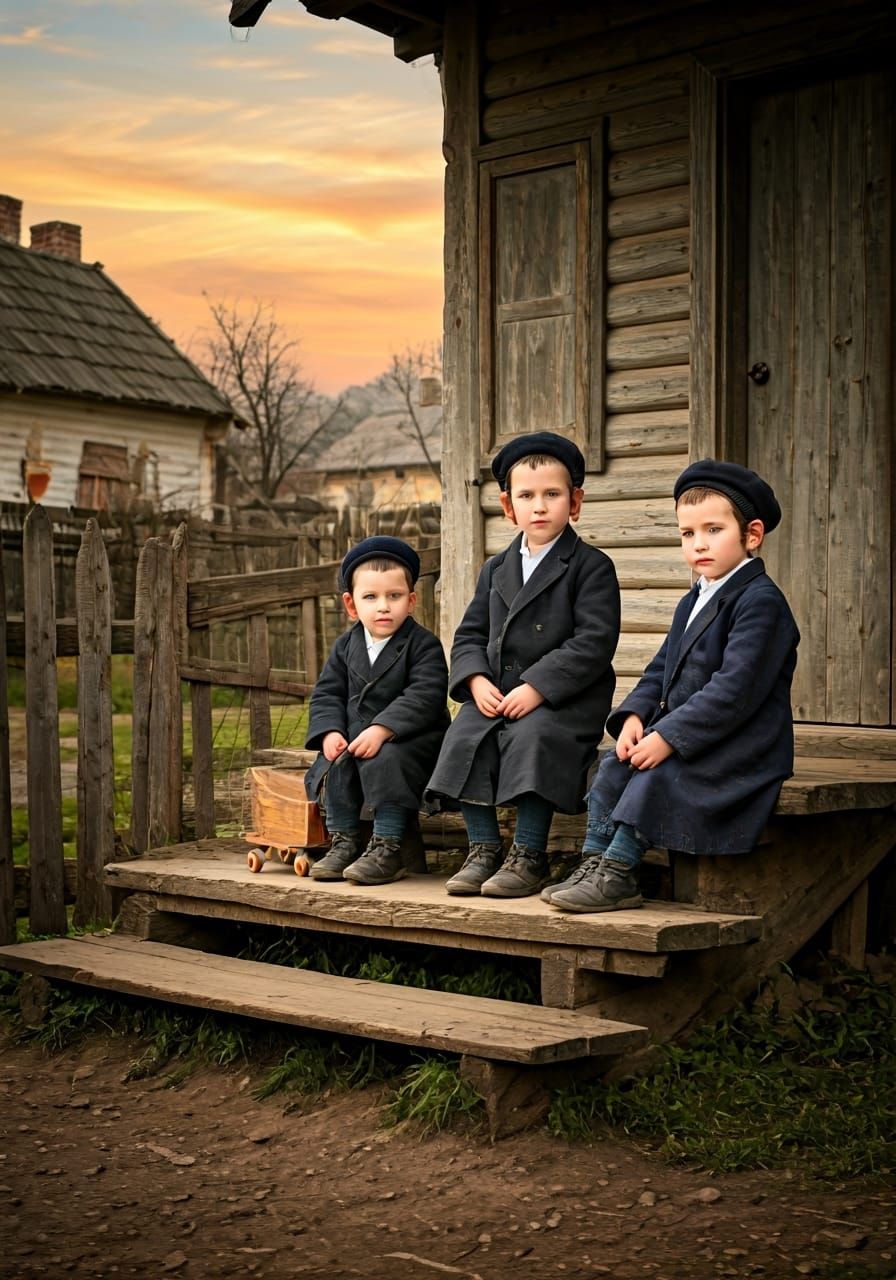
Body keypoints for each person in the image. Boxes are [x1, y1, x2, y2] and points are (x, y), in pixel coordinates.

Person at [546, 458, 800, 914]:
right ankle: (595, 861)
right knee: (613, 765)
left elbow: (734, 690)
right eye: (687, 533)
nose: (698, 544)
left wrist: (668, 736)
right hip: (692, 735)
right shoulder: (694, 598)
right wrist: (635, 718)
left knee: (658, 774)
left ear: (752, 535)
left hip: (742, 743)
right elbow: (659, 670)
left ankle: (620, 873)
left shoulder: (760, 602)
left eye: (713, 530)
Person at [425, 431, 620, 898]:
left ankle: (529, 854)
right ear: (507, 506)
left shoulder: (591, 566)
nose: (539, 507)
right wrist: (475, 680)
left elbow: (593, 643)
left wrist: (537, 687)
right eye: (526, 496)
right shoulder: (496, 569)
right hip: (497, 694)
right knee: (465, 734)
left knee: (534, 737)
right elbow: (470, 634)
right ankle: (484, 848)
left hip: (563, 700)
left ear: (575, 502)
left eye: (552, 494)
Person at [304, 536, 449, 886]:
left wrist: (383, 729)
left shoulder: (423, 645)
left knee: (387, 759)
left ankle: (387, 846)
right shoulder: (345, 646)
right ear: (351, 605)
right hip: (356, 739)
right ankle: (345, 841)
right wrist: (330, 731)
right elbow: (327, 693)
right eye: (371, 597)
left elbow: (424, 695)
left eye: (394, 596)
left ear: (411, 601)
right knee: (337, 762)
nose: (383, 606)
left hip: (411, 741)